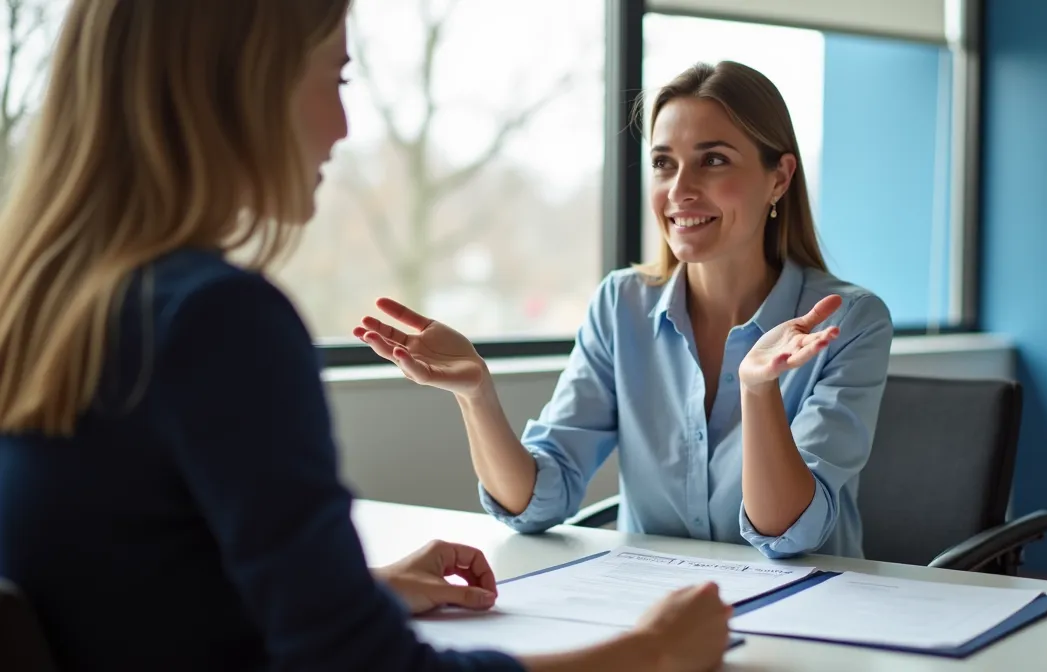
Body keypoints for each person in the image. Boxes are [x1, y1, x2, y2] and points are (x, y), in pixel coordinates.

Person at [0, 2, 731, 671]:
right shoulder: (217, 321)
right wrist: (652, 653)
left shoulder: (40, 302)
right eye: (336, 78)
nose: (344, 128)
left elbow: (127, 587)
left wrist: (354, 590)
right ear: (245, 84)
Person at [355, 61, 894, 561]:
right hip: (653, 616)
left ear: (778, 177)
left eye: (713, 160)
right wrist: (477, 395)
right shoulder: (622, 305)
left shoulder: (848, 321)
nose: (679, 190)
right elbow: (538, 501)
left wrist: (758, 390)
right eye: (663, 163)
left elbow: (789, 532)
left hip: (807, 616)